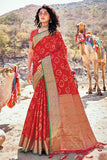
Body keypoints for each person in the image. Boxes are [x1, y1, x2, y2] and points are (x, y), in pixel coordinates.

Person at [19, 5, 106, 160]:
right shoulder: (33, 33)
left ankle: (53, 142)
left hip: (51, 71)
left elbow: (63, 51)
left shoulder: (55, 33)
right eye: (40, 13)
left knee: (53, 103)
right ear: (38, 17)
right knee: (39, 100)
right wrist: (28, 70)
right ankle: (37, 142)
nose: (43, 15)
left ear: (50, 17)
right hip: (38, 71)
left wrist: (46, 61)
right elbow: (31, 52)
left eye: (45, 13)